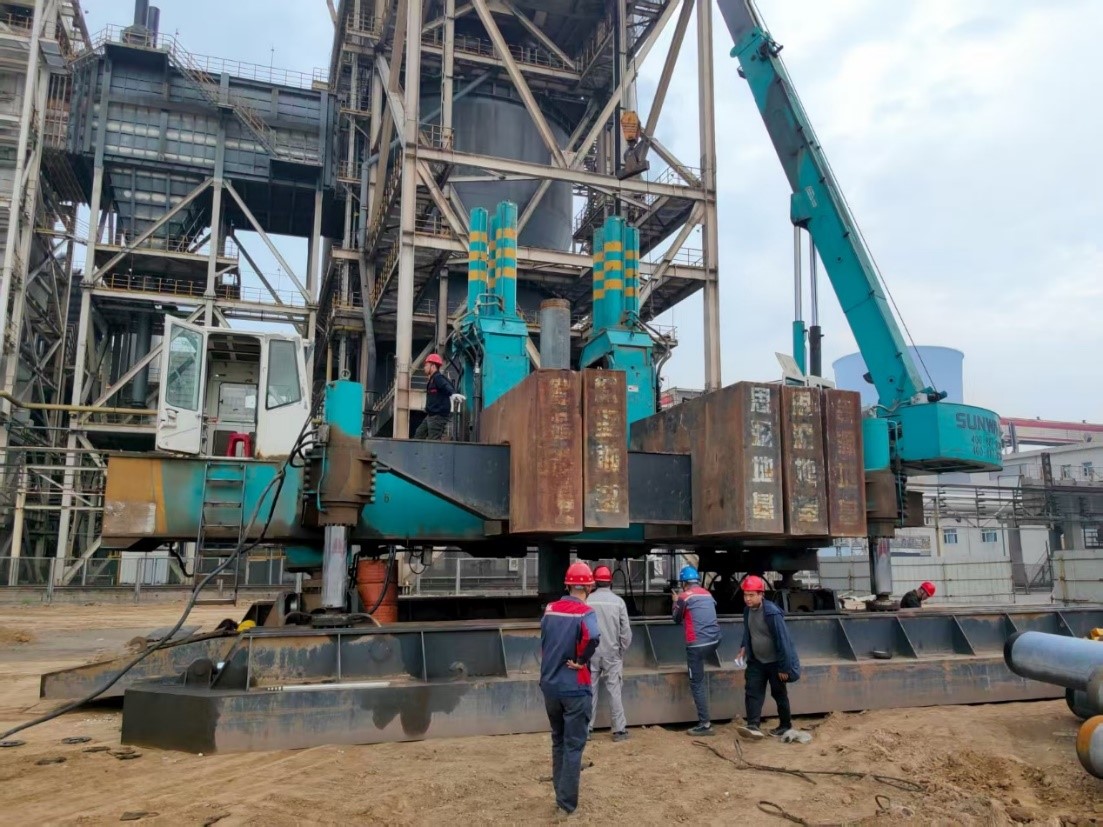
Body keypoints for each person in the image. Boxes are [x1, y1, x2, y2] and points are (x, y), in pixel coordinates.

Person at [540, 561, 601, 815]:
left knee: (558, 740)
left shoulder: (550, 609)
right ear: (589, 587)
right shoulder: (585, 612)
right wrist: (581, 660)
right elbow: (593, 636)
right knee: (573, 745)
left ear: (567, 585)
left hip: (550, 686)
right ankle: (566, 805)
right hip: (575, 688)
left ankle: (560, 796)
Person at [736, 574, 801, 740]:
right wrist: (743, 647)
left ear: (761, 594)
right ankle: (753, 725)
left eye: (751, 595)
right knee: (752, 691)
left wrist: (784, 667)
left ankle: (785, 725)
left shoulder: (772, 613)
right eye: (745, 595)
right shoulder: (747, 611)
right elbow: (748, 631)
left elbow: (783, 640)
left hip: (775, 663)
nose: (747, 599)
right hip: (756, 661)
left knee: (779, 694)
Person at [671, 564, 721, 736]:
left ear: (683, 583)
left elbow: (676, 619)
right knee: (700, 673)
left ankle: (705, 724)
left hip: (697, 645)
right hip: (715, 640)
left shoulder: (684, 597)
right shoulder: (707, 594)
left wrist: (675, 602)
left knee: (696, 682)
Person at [586, 565, 632, 742]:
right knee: (614, 691)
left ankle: (587, 729)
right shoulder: (618, 602)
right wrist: (621, 650)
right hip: (612, 653)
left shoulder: (587, 601)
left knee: (590, 690)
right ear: (610, 582)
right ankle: (619, 731)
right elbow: (625, 633)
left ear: (594, 582)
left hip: (591, 653)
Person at [414, 353, 454, 440]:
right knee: (419, 434)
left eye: (426, 365)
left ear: (433, 366)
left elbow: (448, 387)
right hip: (431, 415)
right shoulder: (433, 379)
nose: (424, 367)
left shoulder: (438, 378)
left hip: (437, 416)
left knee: (433, 440)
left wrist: (452, 393)